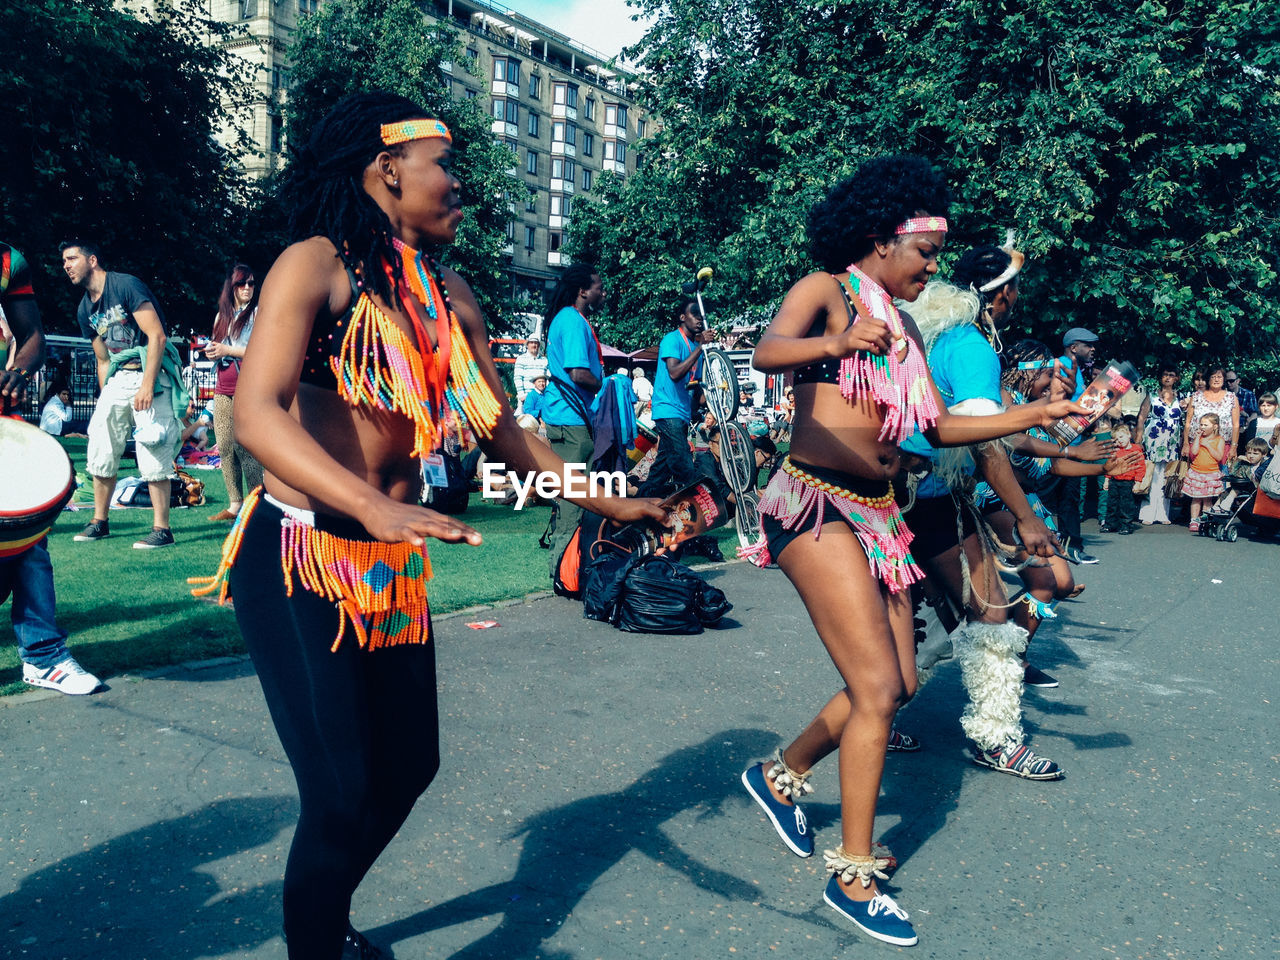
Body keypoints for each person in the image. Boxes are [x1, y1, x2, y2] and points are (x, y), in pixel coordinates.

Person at [188, 93, 664, 960]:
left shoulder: (450, 296)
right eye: (444, 165)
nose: (459, 187)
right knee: (337, 793)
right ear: (387, 167)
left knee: (407, 770)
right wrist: (372, 503)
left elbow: (507, 434)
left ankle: (320, 907)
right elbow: (257, 417)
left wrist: (607, 497)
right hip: (300, 555)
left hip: (387, 567)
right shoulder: (316, 265)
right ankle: (317, 940)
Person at [737, 157, 1083, 947]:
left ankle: (779, 775)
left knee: (895, 683)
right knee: (875, 689)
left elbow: (939, 427)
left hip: (881, 514)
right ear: (878, 239)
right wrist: (833, 339)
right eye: (925, 251)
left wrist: (1036, 410)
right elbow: (765, 353)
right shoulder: (826, 288)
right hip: (816, 506)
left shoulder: (906, 329)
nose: (934, 267)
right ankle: (853, 871)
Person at [0, 240, 101, 695]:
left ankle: (42, 655)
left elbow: (33, 338)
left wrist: (17, 372)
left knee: (29, 539)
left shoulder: (8, 261)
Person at [62, 241, 186, 549]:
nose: (66, 265)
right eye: (64, 260)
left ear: (92, 260)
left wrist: (147, 384)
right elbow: (103, 359)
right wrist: (107, 395)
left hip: (149, 372)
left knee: (152, 444)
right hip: (119, 378)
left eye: (72, 258)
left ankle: (162, 530)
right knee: (102, 446)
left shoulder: (125, 285)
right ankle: (99, 522)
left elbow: (156, 335)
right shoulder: (84, 309)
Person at [541, 262, 606, 574]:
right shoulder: (572, 322)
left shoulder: (571, 319)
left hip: (571, 417)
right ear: (583, 291)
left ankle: (571, 567)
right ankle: (562, 572)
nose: (603, 293)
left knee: (578, 494)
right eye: (599, 287)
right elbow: (579, 373)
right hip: (571, 420)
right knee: (574, 499)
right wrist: (609, 383)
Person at [203, 263, 264, 522]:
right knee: (225, 446)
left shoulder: (258, 314)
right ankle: (235, 504)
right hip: (223, 387)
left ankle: (257, 501)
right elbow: (221, 350)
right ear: (232, 287)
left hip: (247, 387)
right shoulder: (222, 316)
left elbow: (263, 351)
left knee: (245, 447)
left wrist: (228, 351)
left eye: (251, 283)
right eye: (242, 284)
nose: (248, 288)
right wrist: (213, 351)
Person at [1043, 326, 1101, 564]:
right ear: (1074, 347)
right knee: (1063, 497)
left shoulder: (1073, 369)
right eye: (1088, 345)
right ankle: (1069, 547)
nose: (1093, 349)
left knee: (1063, 497)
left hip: (1068, 441)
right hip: (1060, 442)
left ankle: (1064, 545)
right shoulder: (1064, 366)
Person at [644, 298, 709, 497]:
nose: (699, 319)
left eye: (701, 315)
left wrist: (714, 398)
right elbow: (674, 373)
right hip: (667, 409)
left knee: (659, 473)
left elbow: (696, 391)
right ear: (682, 317)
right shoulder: (672, 340)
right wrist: (700, 347)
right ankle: (696, 511)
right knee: (684, 463)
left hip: (681, 414)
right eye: (694, 314)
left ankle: (635, 511)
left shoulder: (695, 349)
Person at [1138, 364, 1184, 525]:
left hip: (1172, 441)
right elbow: (1142, 417)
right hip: (1153, 438)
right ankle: (1148, 513)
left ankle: (1163, 513)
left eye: (1171, 374)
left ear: (1176, 378)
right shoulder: (1151, 395)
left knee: (1166, 476)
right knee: (1152, 474)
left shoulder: (1181, 396)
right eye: (1165, 374)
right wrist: (1138, 438)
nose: (1168, 377)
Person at [1183, 367, 1239, 467]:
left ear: (1224, 379)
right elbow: (1188, 422)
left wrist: (1233, 447)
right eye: (1213, 377)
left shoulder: (1231, 398)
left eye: (1219, 377)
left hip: (1221, 446)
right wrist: (1186, 444)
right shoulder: (1196, 396)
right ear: (1208, 379)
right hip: (1197, 445)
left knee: (1220, 479)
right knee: (1196, 478)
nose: (1216, 380)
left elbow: (1236, 425)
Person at [1100, 417, 1146, 534]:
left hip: (1128, 481)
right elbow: (1110, 467)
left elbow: (1140, 466)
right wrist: (1107, 480)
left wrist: (1138, 482)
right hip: (1115, 481)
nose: (1119, 441)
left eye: (1121, 437)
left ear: (1128, 435)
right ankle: (1110, 524)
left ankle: (1126, 525)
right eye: (1116, 439)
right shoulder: (1115, 451)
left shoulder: (1136, 450)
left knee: (1126, 505)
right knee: (1112, 504)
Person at [1185, 413, 1228, 531]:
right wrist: (1197, 439)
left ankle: (1205, 520)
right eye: (1201, 424)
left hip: (1211, 473)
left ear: (1215, 426)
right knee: (1196, 498)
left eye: (1205, 425)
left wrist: (1208, 445)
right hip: (1197, 472)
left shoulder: (1219, 440)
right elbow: (1193, 452)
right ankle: (1194, 520)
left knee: (1207, 499)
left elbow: (1219, 457)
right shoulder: (1199, 438)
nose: (1202, 427)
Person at [1210, 437, 1270, 514]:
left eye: (1255, 454)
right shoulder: (1246, 464)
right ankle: (1216, 508)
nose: (1251, 456)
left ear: (1264, 454)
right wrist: (1238, 460)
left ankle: (1225, 506)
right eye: (1249, 453)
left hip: (1256, 491)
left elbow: (1257, 478)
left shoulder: (1264, 465)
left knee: (1237, 487)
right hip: (1242, 488)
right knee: (1227, 491)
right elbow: (1233, 473)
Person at [512, 337, 548, 411]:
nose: (534, 345)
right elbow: (518, 377)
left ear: (538, 345)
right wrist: (521, 394)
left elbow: (548, 378)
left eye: (536, 343)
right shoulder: (521, 359)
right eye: (531, 343)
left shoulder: (544, 360)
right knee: (526, 420)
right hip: (526, 396)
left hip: (541, 396)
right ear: (527, 345)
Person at [1226, 368, 1258, 436]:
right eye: (1226, 381)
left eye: (1231, 381)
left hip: (1243, 431)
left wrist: (1247, 423)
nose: (1228, 383)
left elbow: (1254, 414)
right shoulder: (1223, 395)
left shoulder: (1248, 394)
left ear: (1238, 381)